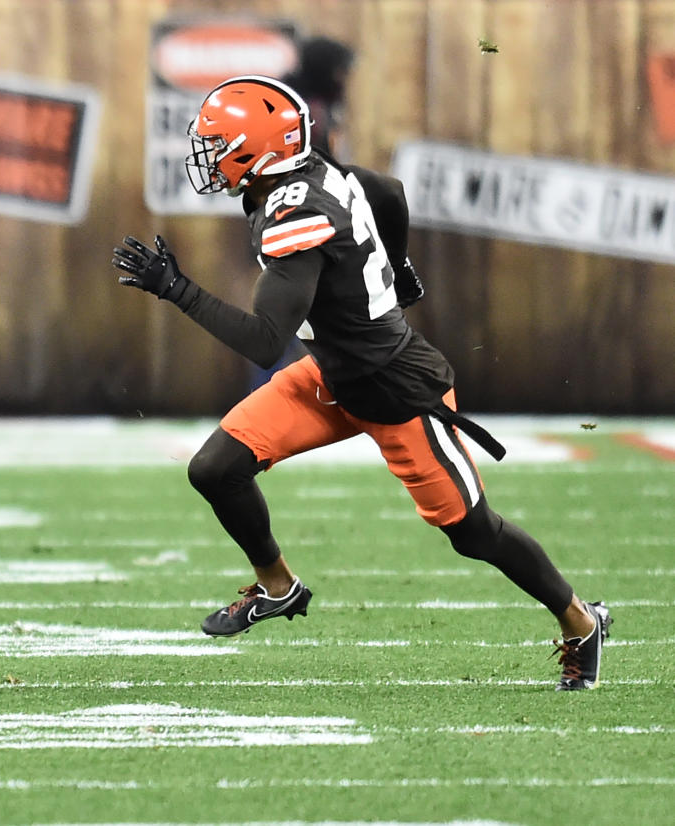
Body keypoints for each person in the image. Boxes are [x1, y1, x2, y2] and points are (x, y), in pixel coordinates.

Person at [110, 75, 610, 690]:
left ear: (258, 149)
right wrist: (397, 268)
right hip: (334, 376)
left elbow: (268, 340)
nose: (209, 158)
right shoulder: (309, 171)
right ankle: (278, 587)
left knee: (473, 532)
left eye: (219, 144)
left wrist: (177, 289)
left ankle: (581, 622)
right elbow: (385, 189)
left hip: (398, 392)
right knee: (215, 467)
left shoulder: (297, 213)